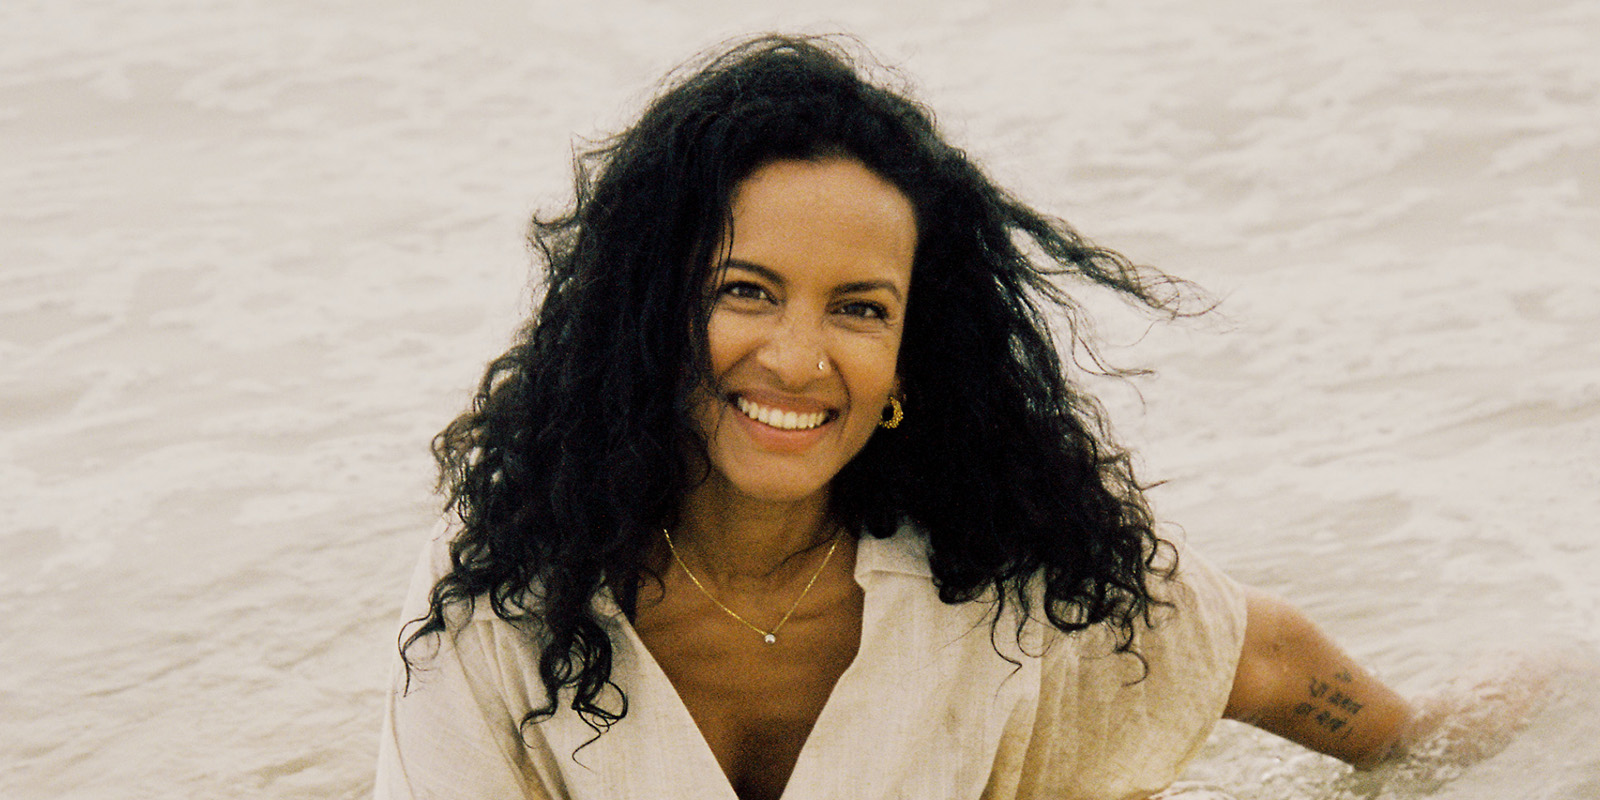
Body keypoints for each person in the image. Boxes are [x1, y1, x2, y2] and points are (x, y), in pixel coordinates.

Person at [375, 34, 1465, 800]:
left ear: (909, 353)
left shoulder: (993, 574)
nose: (798, 358)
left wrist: (1498, 749)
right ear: (650, 309)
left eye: (859, 308)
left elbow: (1262, 654)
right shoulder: (508, 589)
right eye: (745, 289)